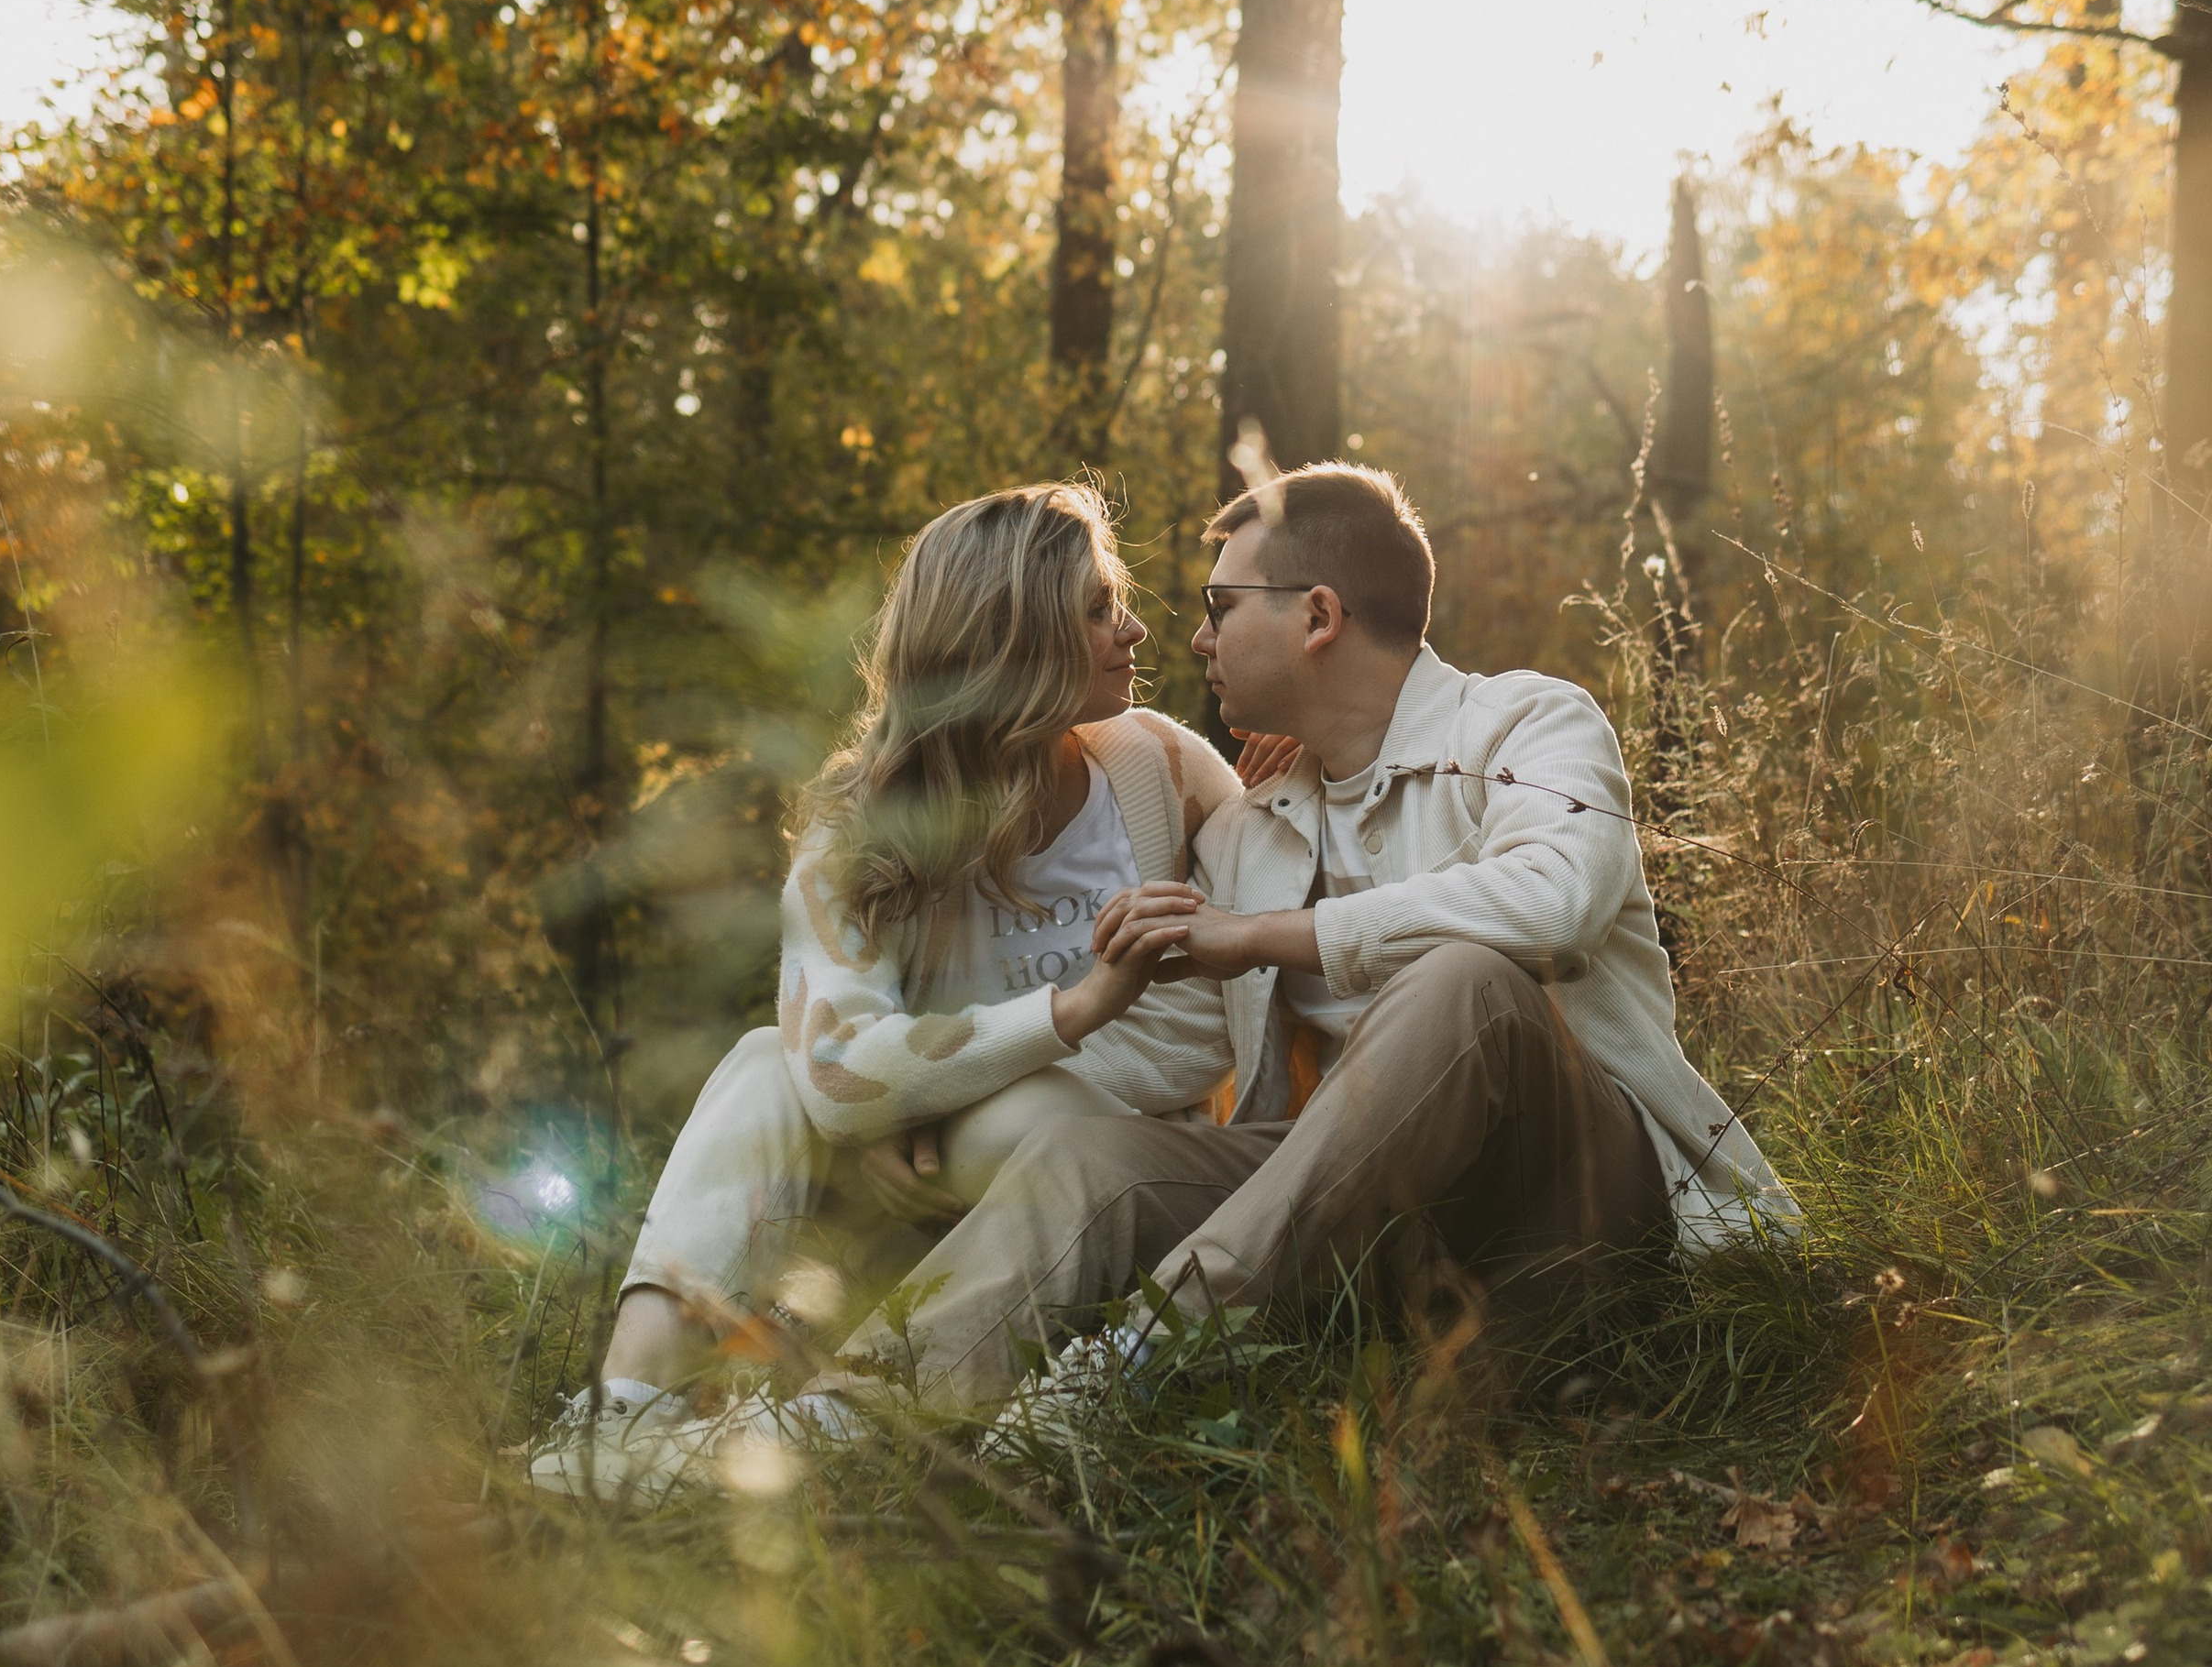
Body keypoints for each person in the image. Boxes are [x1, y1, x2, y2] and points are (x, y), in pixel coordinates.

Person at [798, 459, 1799, 1427]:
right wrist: (932, 1093)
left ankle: (1145, 1353)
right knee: (1083, 1149)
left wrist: (1274, 935)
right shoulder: (1246, 832)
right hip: (1365, 1230)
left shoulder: (1527, 724)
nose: (1190, 637)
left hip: (1575, 1198)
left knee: (1460, 981)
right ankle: (851, 1411)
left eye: (1220, 605)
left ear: (1317, 615)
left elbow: (1559, 905)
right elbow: (1156, 1051)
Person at [529, 481, 1243, 1497]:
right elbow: (830, 1070)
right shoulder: (863, 817)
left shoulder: (1157, 769)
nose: (1131, 629)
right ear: (1011, 638)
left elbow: (1228, 999)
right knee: (757, 1066)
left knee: (1024, 1118)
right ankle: (620, 1412)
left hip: (1109, 1186)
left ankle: (817, 1423)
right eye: (1094, 609)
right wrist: (1068, 1010)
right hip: (928, 1202)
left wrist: (931, 1092)